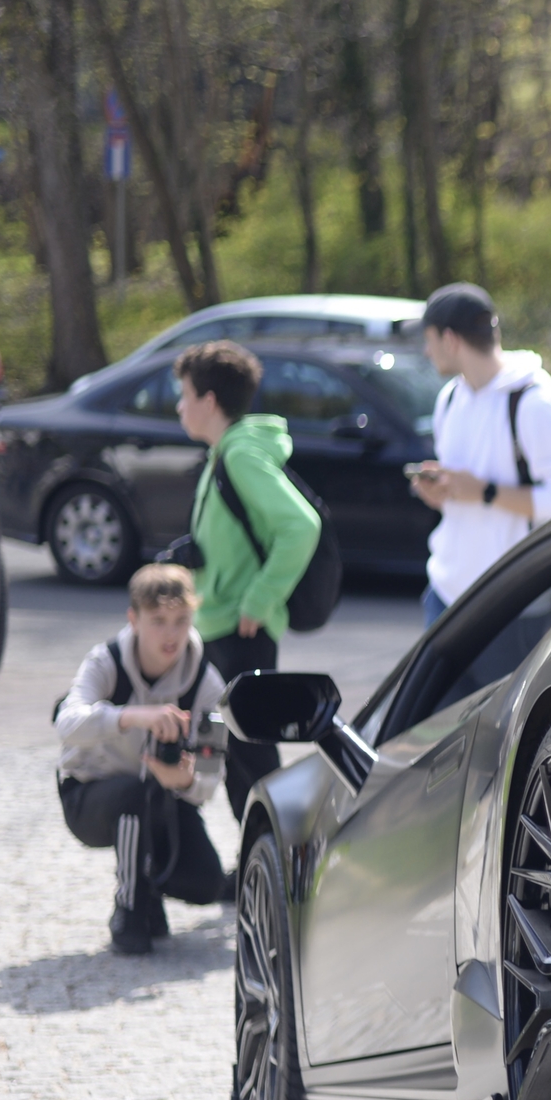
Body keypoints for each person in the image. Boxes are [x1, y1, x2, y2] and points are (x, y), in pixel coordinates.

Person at [175, 340, 322, 814]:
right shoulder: (224, 452)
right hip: (220, 623)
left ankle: (277, 871)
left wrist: (259, 601)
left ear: (209, 402)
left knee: (254, 757)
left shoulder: (240, 455)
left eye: (185, 395)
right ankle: (254, 868)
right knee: (237, 755)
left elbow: (301, 526)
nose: (180, 406)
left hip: (243, 630)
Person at [56, 563, 230, 956]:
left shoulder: (206, 683)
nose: (171, 634)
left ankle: (149, 889)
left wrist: (182, 780)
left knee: (206, 882)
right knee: (133, 792)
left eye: (181, 620)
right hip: (89, 797)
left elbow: (209, 777)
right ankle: (129, 909)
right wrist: (132, 715)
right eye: (158, 621)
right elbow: (67, 723)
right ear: (133, 619)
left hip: (161, 797)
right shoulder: (106, 662)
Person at [411, 282, 551, 624]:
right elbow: (464, 493)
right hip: (445, 594)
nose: (426, 351)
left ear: (449, 340)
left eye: (429, 339)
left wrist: (484, 492)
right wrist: (442, 492)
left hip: (511, 607)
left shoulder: (534, 402)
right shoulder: (450, 399)